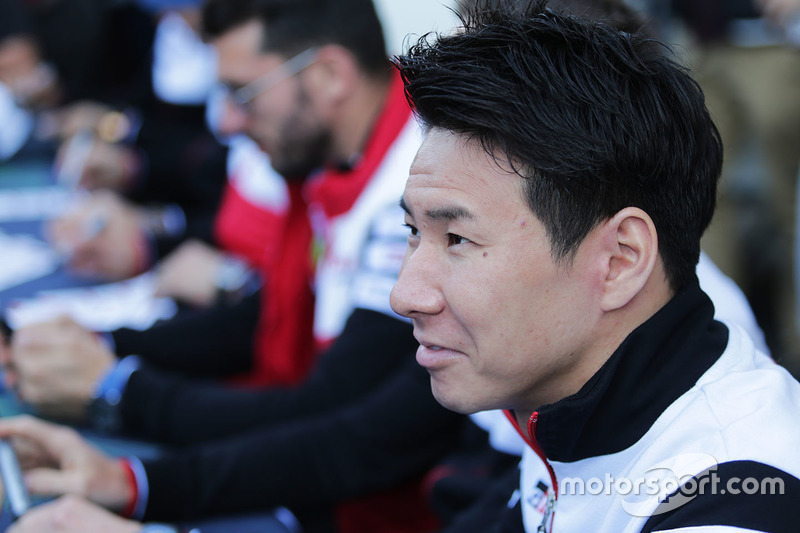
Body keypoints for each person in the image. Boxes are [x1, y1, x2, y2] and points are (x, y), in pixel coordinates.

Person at [386, 1, 800, 530]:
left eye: (458, 239)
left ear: (621, 260)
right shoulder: (569, 403)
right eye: (413, 233)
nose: (405, 294)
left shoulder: (729, 503)